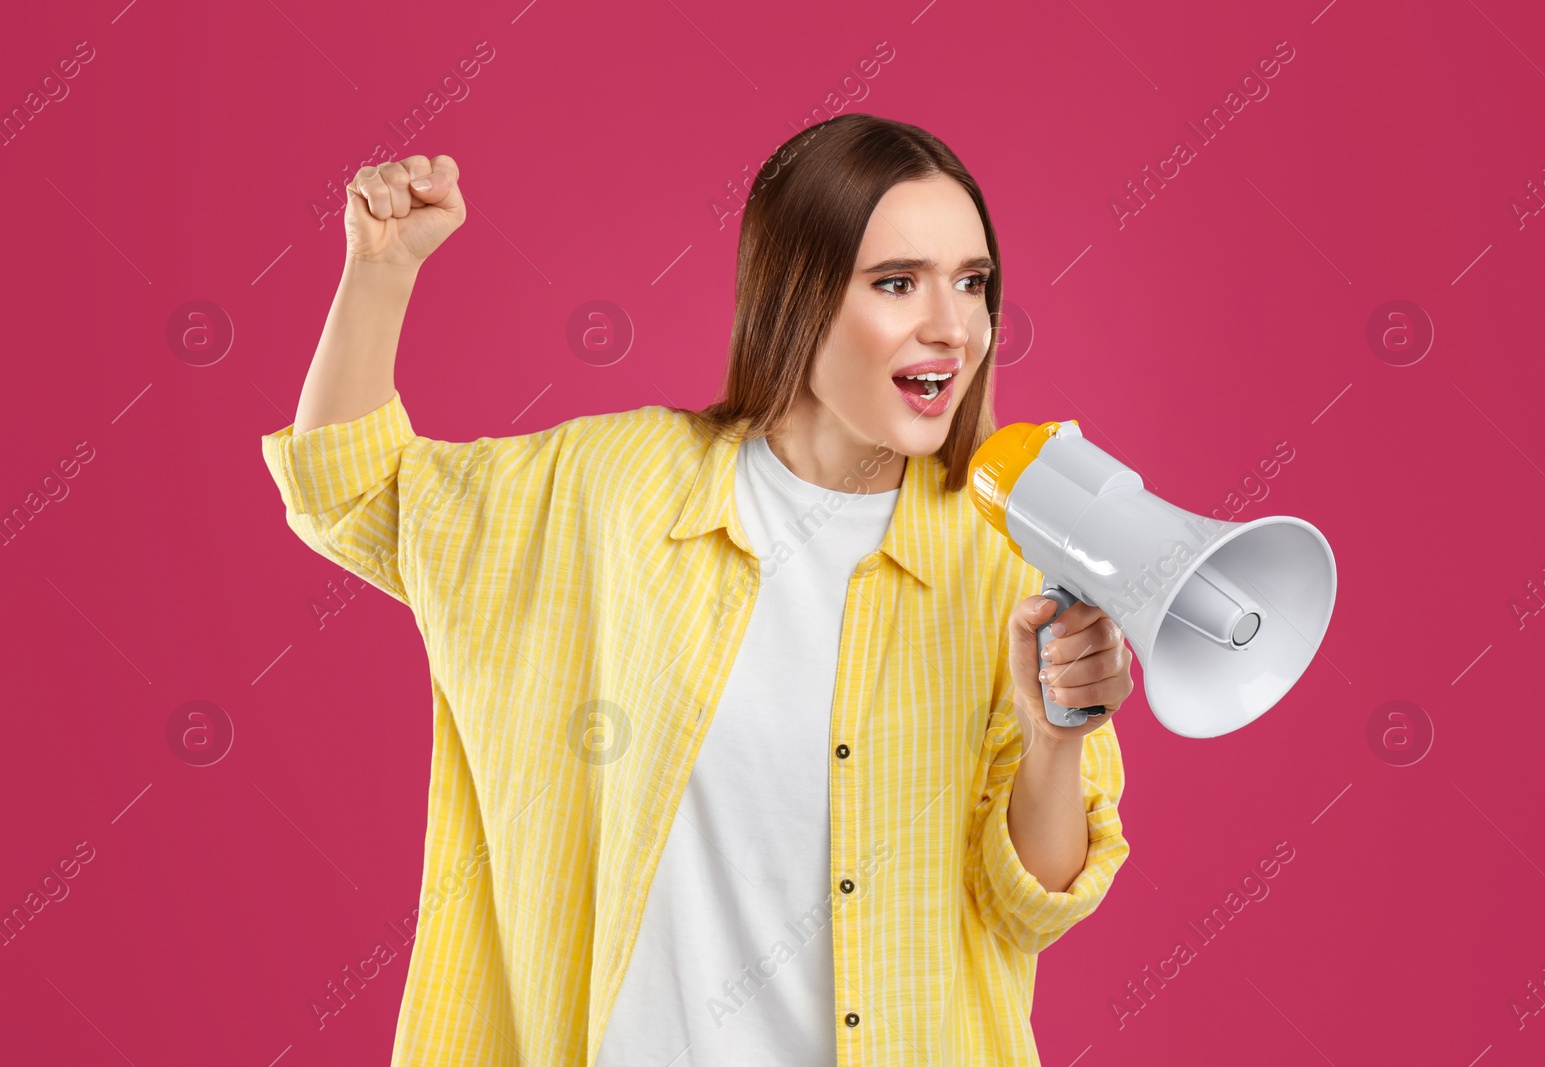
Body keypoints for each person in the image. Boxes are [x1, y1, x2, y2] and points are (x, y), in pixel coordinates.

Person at [262, 112, 1132, 1067]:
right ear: (794, 297)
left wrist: (1055, 742)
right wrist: (381, 272)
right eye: (896, 283)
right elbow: (348, 488)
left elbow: (1030, 900)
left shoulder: (1006, 556)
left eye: (973, 283)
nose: (952, 327)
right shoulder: (619, 489)